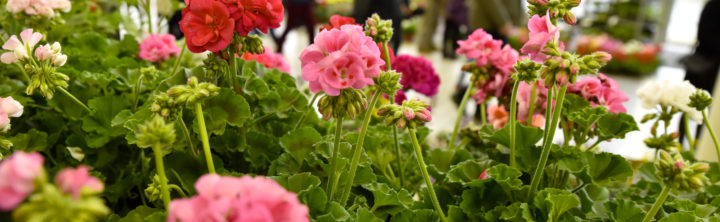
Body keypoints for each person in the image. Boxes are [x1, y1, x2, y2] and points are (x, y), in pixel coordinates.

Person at [680, 0, 720, 148]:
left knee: (707, 112)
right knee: (687, 105)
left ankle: (697, 146)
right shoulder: (714, 5)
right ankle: (680, 144)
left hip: (713, 68)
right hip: (703, 65)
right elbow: (704, 35)